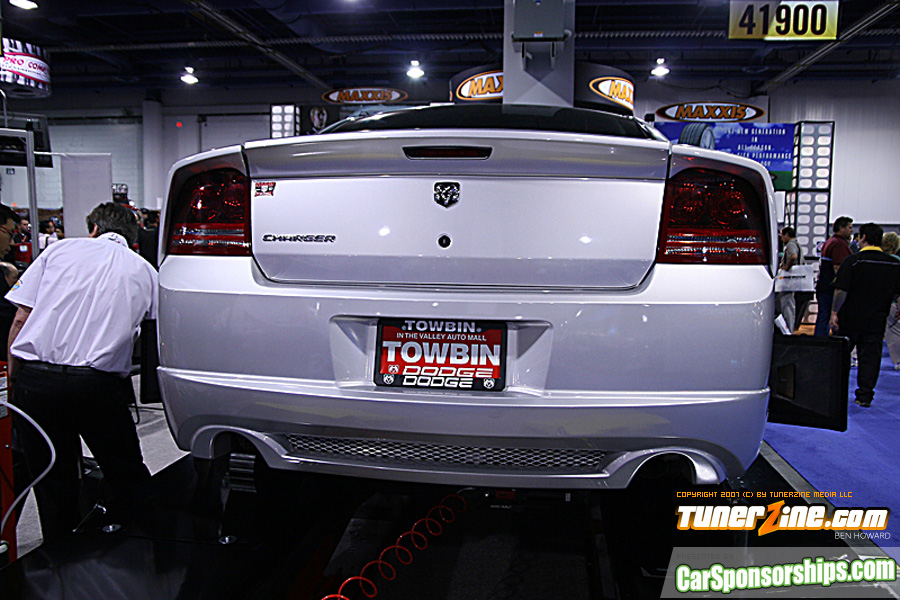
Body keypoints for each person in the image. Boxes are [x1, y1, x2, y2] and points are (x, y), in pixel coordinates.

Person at [6, 202, 157, 539]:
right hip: (96, 386)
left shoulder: (58, 250)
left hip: (36, 380)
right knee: (125, 471)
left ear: (94, 228)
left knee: (50, 476)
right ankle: (143, 546)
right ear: (132, 236)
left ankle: (59, 549)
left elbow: (20, 318)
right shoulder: (145, 270)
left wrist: (14, 379)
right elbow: (157, 329)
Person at [830, 223, 900, 407]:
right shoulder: (893, 263)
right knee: (870, 359)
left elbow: (841, 290)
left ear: (863, 238)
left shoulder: (853, 261)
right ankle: (865, 396)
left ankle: (836, 395)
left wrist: (834, 311)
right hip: (877, 318)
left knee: (841, 357)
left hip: (850, 317)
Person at [814, 216, 853, 336]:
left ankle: (820, 342)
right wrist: (845, 286)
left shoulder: (830, 241)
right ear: (841, 228)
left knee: (823, 316)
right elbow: (839, 268)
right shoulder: (839, 244)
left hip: (824, 286)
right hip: (831, 289)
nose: (852, 230)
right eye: (849, 227)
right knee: (831, 317)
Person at [776, 226, 803, 334]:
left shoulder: (791, 245)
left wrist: (786, 266)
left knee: (787, 304)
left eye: (782, 236)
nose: (782, 238)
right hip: (793, 279)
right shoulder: (796, 243)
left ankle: (788, 329)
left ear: (787, 235)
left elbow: (793, 256)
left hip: (789, 280)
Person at [881, 231, 900, 370]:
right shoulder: (897, 262)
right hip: (894, 300)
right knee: (895, 331)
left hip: (878, 301)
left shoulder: (878, 260)